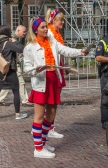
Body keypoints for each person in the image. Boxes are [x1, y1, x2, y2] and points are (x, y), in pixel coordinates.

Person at [23, 17, 87, 158]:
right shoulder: (29, 47)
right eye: (42, 27)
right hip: (41, 83)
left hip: (53, 81)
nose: (46, 29)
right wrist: (37, 69)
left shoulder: (52, 43)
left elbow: (65, 50)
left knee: (51, 116)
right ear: (35, 30)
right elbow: (26, 67)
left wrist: (80, 52)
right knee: (39, 116)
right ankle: (38, 149)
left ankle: (43, 143)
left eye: (46, 26)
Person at [0, 25, 28, 119]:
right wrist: (16, 41)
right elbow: (21, 49)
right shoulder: (8, 43)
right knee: (16, 91)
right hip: (10, 70)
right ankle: (17, 114)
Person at [43, 9, 68, 139]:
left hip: (58, 69)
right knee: (51, 101)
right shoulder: (50, 34)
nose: (63, 22)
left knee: (54, 101)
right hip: (52, 70)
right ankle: (46, 127)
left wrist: (66, 65)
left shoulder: (57, 33)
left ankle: (49, 127)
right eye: (61, 20)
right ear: (54, 20)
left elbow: (61, 52)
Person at [0, 25, 33, 107]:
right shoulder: (11, 39)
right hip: (12, 65)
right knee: (20, 83)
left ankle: (0, 99)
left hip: (10, 64)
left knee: (8, 84)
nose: (25, 33)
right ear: (18, 30)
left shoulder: (13, 38)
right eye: (24, 31)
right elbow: (19, 49)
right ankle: (24, 101)